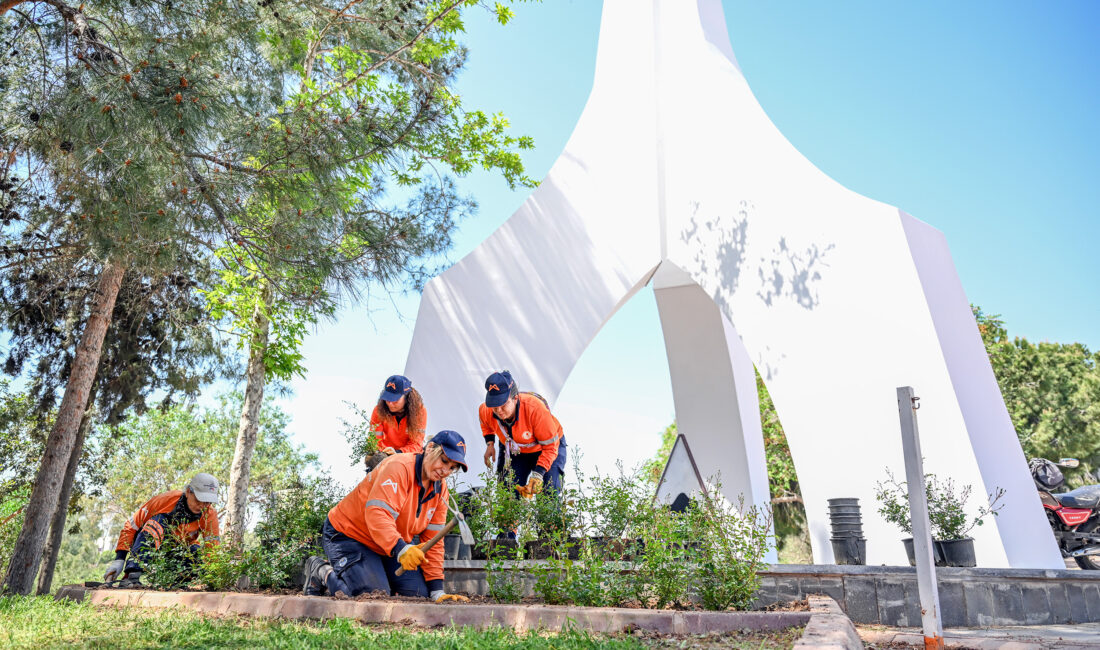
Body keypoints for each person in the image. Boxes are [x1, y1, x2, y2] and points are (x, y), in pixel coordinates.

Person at [303, 431, 470, 603]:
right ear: (429, 448)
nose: (445, 471)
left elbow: (433, 541)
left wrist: (437, 591)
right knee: (371, 595)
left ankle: (376, 576)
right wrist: (401, 549)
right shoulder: (399, 467)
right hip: (349, 535)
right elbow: (378, 514)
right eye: (444, 460)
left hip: (386, 544)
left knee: (417, 595)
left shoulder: (440, 491)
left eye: (452, 468)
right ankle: (321, 571)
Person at [102, 473, 221, 587]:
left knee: (195, 551)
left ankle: (178, 584)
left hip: (177, 552)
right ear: (188, 492)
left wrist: (215, 577)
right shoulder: (165, 500)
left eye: (207, 502)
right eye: (199, 500)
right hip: (150, 549)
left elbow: (212, 547)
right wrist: (119, 559)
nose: (202, 506)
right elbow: (131, 526)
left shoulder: (209, 514)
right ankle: (132, 576)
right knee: (155, 525)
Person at [479, 370, 567, 499]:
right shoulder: (486, 410)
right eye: (494, 405)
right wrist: (490, 443)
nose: (498, 410)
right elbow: (485, 423)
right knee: (507, 493)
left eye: (503, 404)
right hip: (516, 449)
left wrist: (538, 474)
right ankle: (511, 513)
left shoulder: (535, 409)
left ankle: (549, 510)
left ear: (515, 398)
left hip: (547, 448)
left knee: (549, 494)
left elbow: (550, 447)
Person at [368, 374, 427, 460]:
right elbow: (374, 440)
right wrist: (384, 453)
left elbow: (416, 444)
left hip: (408, 457)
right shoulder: (378, 410)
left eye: (395, 399)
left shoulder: (420, 412)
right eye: (387, 398)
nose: (390, 403)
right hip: (384, 455)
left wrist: (397, 453)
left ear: (407, 397)